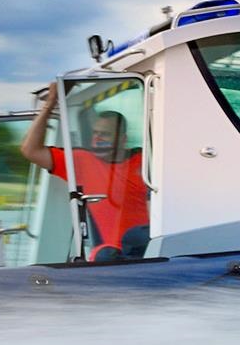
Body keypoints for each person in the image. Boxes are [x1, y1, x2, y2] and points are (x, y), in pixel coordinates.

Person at [20, 85, 149, 261]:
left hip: (149, 248)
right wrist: (50, 104)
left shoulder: (144, 159)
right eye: (95, 133)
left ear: (122, 139)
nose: (97, 139)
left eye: (104, 134)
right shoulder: (81, 161)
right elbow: (30, 150)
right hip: (111, 255)